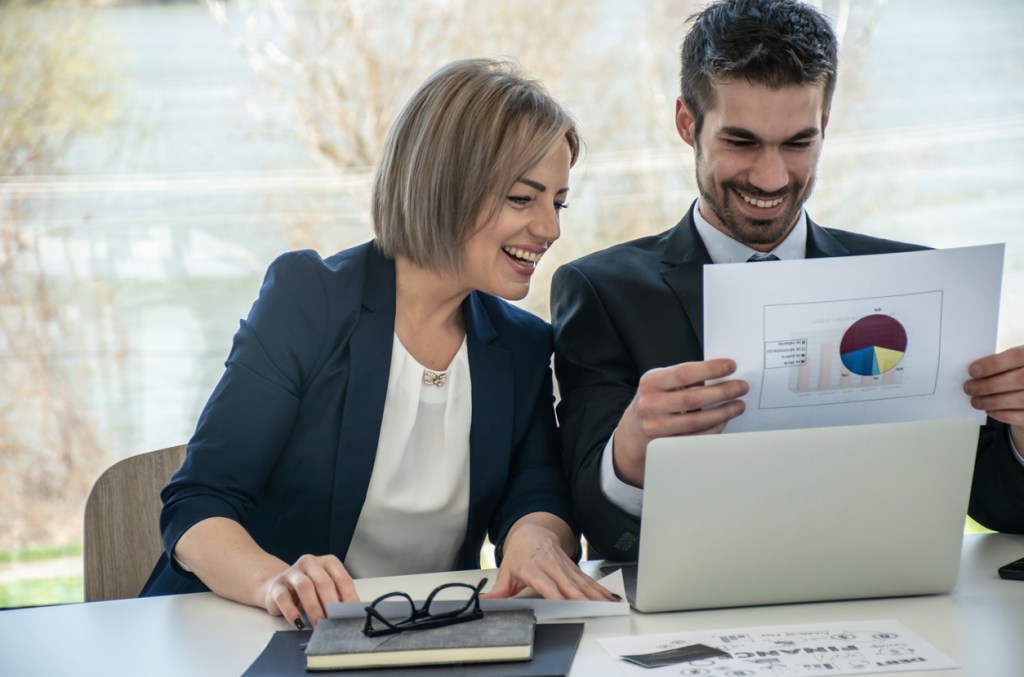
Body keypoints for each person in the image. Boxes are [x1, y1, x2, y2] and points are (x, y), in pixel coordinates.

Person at [141, 57, 617, 628]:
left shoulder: (521, 344)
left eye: (558, 203)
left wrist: (536, 537)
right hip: (248, 632)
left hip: (418, 638)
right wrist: (274, 580)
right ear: (446, 185)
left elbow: (537, 491)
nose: (550, 229)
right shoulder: (309, 299)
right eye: (523, 199)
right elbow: (199, 501)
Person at [550, 0, 1024, 561]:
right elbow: (597, 530)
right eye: (741, 141)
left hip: (891, 605)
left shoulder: (917, 280)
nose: (771, 177)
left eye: (798, 143)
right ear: (687, 123)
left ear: (824, 125)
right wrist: (628, 454)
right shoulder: (602, 291)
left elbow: (996, 506)